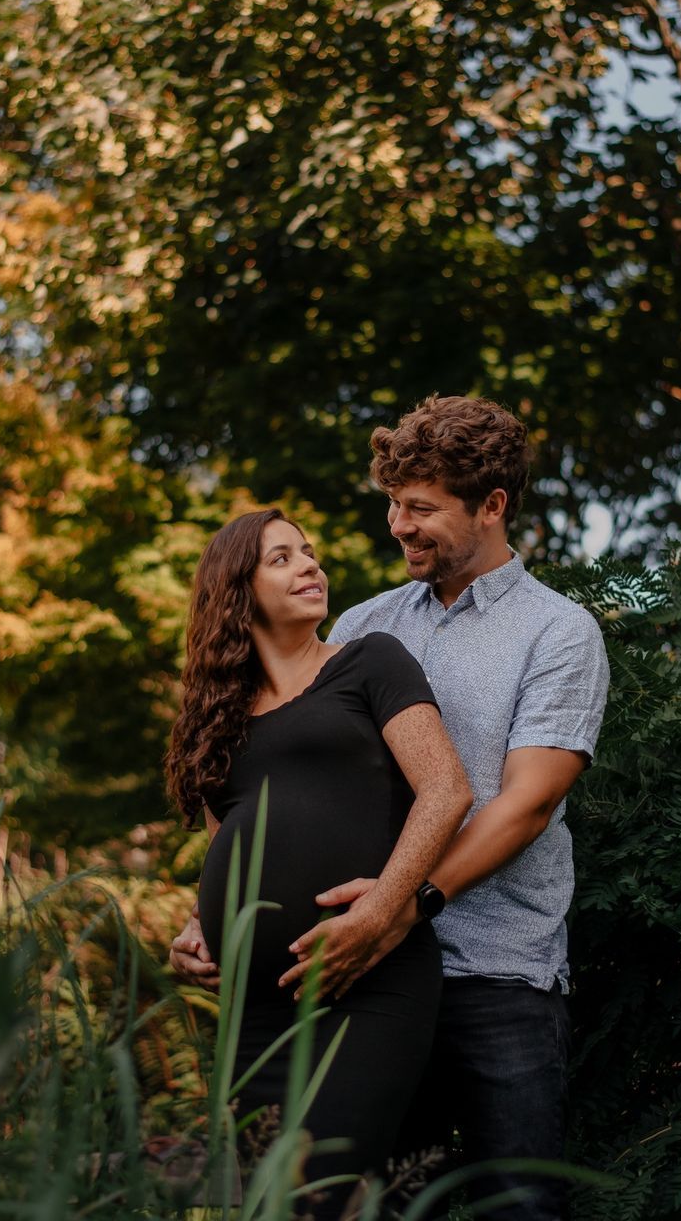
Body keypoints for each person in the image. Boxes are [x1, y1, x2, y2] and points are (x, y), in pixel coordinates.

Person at [173, 397, 610, 1221]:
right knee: (380, 1203)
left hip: (494, 970)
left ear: (491, 507)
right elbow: (293, 790)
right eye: (392, 504)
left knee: (513, 1206)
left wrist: (401, 905)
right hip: (347, 972)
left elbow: (525, 805)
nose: (397, 526)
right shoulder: (365, 623)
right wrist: (219, 915)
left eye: (420, 509)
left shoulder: (557, 631)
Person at [165, 507, 475, 1219]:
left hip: (367, 981)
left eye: (309, 552)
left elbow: (446, 791)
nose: (311, 565)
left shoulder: (371, 660)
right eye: (282, 558)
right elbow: (229, 843)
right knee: (266, 1200)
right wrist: (196, 925)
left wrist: (380, 911)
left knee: (317, 1192)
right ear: (235, 590)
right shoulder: (216, 716)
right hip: (254, 1007)